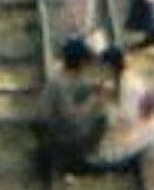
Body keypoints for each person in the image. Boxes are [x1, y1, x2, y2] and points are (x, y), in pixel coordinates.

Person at [37, 33, 114, 170]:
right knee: (104, 117)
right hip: (60, 133)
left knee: (99, 110)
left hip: (56, 125)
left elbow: (79, 85)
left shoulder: (63, 73)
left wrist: (94, 87)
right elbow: (72, 118)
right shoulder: (60, 85)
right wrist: (94, 99)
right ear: (81, 63)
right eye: (87, 63)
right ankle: (79, 157)